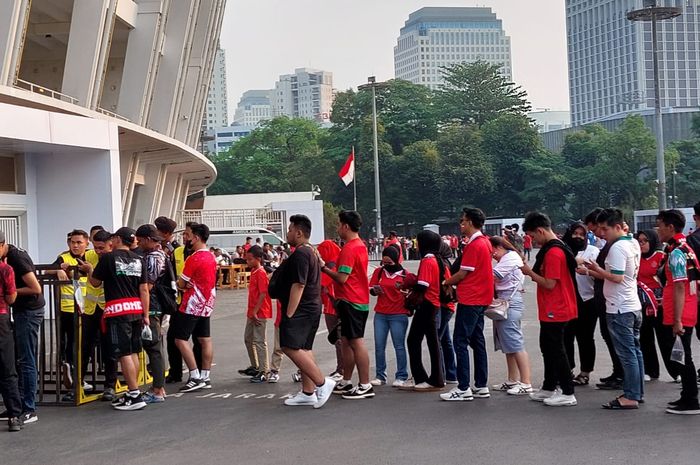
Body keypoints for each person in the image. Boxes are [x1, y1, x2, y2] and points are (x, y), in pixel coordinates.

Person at [584, 208, 643, 410]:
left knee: (627, 354)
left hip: (620, 307)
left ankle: (631, 395)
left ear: (617, 227)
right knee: (635, 352)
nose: (601, 233)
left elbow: (617, 277)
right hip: (631, 304)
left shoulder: (617, 248)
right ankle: (636, 391)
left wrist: (599, 270)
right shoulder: (632, 242)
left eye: (604, 229)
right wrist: (596, 271)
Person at [274, 215, 334, 408]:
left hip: (302, 308)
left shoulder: (301, 253)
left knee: (289, 346)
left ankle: (322, 383)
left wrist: (290, 312)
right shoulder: (310, 251)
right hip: (311, 306)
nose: (288, 233)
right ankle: (308, 392)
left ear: (299, 233)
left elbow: (299, 284)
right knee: (305, 348)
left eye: (290, 230)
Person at [87, 227, 149, 411]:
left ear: (117, 239)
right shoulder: (139, 259)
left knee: (124, 353)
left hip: (117, 310)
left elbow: (95, 282)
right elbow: (144, 289)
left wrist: (90, 270)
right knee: (134, 351)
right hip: (136, 309)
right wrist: (145, 314)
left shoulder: (108, 258)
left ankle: (134, 393)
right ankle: (133, 391)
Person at [521, 211, 578, 407]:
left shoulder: (554, 252)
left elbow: (549, 284)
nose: (533, 241)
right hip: (553, 306)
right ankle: (549, 386)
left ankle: (567, 391)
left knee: (556, 349)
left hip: (557, 306)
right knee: (547, 346)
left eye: (533, 236)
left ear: (540, 230)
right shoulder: (556, 248)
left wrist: (529, 273)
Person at [440, 208, 493, 402]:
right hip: (481, 298)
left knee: (460, 341)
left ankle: (463, 387)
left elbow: (463, 273)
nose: (461, 224)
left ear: (470, 222)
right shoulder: (485, 242)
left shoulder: (475, 245)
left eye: (463, 221)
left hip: (471, 298)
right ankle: (481, 385)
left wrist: (446, 282)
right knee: (477, 341)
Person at [321, 211, 374, 400]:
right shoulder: (359, 245)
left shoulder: (350, 248)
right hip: (352, 299)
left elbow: (342, 278)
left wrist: (324, 268)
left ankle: (365, 384)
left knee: (355, 341)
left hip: (352, 300)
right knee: (346, 340)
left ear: (345, 226)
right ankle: (347, 380)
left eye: (338, 224)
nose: (337, 228)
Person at [656, 209, 700, 415]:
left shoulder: (676, 252)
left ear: (670, 227)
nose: (658, 230)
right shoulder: (684, 247)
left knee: (683, 356)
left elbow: (680, 286)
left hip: (681, 312)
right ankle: (686, 396)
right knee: (681, 354)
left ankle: (691, 400)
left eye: (660, 225)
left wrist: (678, 320)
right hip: (686, 308)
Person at [0, 233, 44, 424]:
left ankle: (29, 408)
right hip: (19, 311)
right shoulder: (6, 257)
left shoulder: (16, 257)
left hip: (30, 311)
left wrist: (8, 291)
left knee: (26, 359)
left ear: (3, 245)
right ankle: (15, 407)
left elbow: (36, 288)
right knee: (16, 359)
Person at [171, 223, 217, 393]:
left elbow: (182, 282)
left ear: (196, 237)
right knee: (205, 339)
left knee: (180, 339)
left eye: (187, 234)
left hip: (192, 304)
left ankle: (195, 375)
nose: (185, 238)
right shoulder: (211, 257)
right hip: (207, 302)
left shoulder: (194, 258)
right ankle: (205, 375)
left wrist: (180, 285)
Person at [403, 231, 447, 391]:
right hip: (434, 303)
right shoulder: (437, 259)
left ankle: (421, 377)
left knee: (413, 340)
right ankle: (437, 377)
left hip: (427, 304)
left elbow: (423, 285)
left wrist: (410, 289)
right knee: (432, 341)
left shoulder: (428, 260)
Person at [489, 236, 532, 396]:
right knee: (508, 343)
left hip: (510, 301)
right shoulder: (509, 257)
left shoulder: (510, 257)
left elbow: (492, 276)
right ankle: (513, 379)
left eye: (492, 250)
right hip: (506, 300)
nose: (492, 254)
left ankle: (526, 381)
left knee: (514, 341)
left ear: (500, 246)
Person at [562, 222, 600, 386]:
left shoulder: (593, 251)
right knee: (566, 337)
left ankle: (585, 372)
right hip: (567, 299)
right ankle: (567, 370)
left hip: (588, 300)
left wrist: (587, 270)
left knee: (585, 338)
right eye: (575, 233)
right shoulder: (562, 250)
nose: (578, 236)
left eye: (581, 234)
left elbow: (599, 274)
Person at [54, 229, 91, 395]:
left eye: (79, 242)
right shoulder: (63, 257)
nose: (75, 246)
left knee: (85, 344)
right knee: (72, 343)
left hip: (89, 308)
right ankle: (73, 374)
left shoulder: (91, 257)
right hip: (68, 308)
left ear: (86, 243)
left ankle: (79, 377)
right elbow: (48, 269)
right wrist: (57, 270)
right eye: (72, 242)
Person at [135, 224, 168, 404]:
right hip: (155, 306)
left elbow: (148, 286)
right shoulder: (157, 254)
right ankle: (158, 386)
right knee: (154, 347)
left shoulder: (154, 257)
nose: (138, 244)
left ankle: (158, 388)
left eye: (140, 241)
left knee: (153, 348)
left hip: (153, 307)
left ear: (148, 239)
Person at [636, 229, 674, 381]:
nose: (642, 244)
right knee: (645, 338)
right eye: (639, 240)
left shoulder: (661, 256)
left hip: (659, 303)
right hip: (642, 303)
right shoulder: (636, 257)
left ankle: (675, 371)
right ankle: (650, 370)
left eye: (645, 241)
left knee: (665, 338)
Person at [369, 245, 409, 387]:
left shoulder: (405, 274)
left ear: (396, 260)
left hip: (398, 314)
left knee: (399, 346)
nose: (386, 265)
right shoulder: (379, 272)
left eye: (389, 263)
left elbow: (410, 292)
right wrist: (375, 291)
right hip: (381, 313)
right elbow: (371, 287)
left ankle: (402, 375)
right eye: (384, 262)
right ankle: (380, 375)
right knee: (379, 346)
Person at [0, 235, 23, 431]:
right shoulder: (6, 269)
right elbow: (11, 297)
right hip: (1, 320)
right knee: (7, 368)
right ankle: (14, 415)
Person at [243, 245, 272, 383]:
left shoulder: (261, 273)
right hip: (253, 311)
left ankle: (264, 370)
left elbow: (263, 293)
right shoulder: (255, 272)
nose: (247, 262)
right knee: (248, 338)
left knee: (260, 341)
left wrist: (255, 311)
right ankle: (256, 365)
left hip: (260, 311)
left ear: (258, 259)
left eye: (250, 259)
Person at [317, 239, 343, 381]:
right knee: (341, 339)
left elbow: (323, 285)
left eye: (321, 252)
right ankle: (342, 368)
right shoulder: (339, 263)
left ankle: (341, 369)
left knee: (338, 339)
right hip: (337, 306)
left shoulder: (329, 267)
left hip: (333, 308)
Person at [437, 242, 458, 385]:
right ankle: (451, 374)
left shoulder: (441, 264)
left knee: (437, 339)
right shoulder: (446, 263)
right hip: (447, 305)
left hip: (443, 305)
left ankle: (442, 373)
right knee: (445, 340)